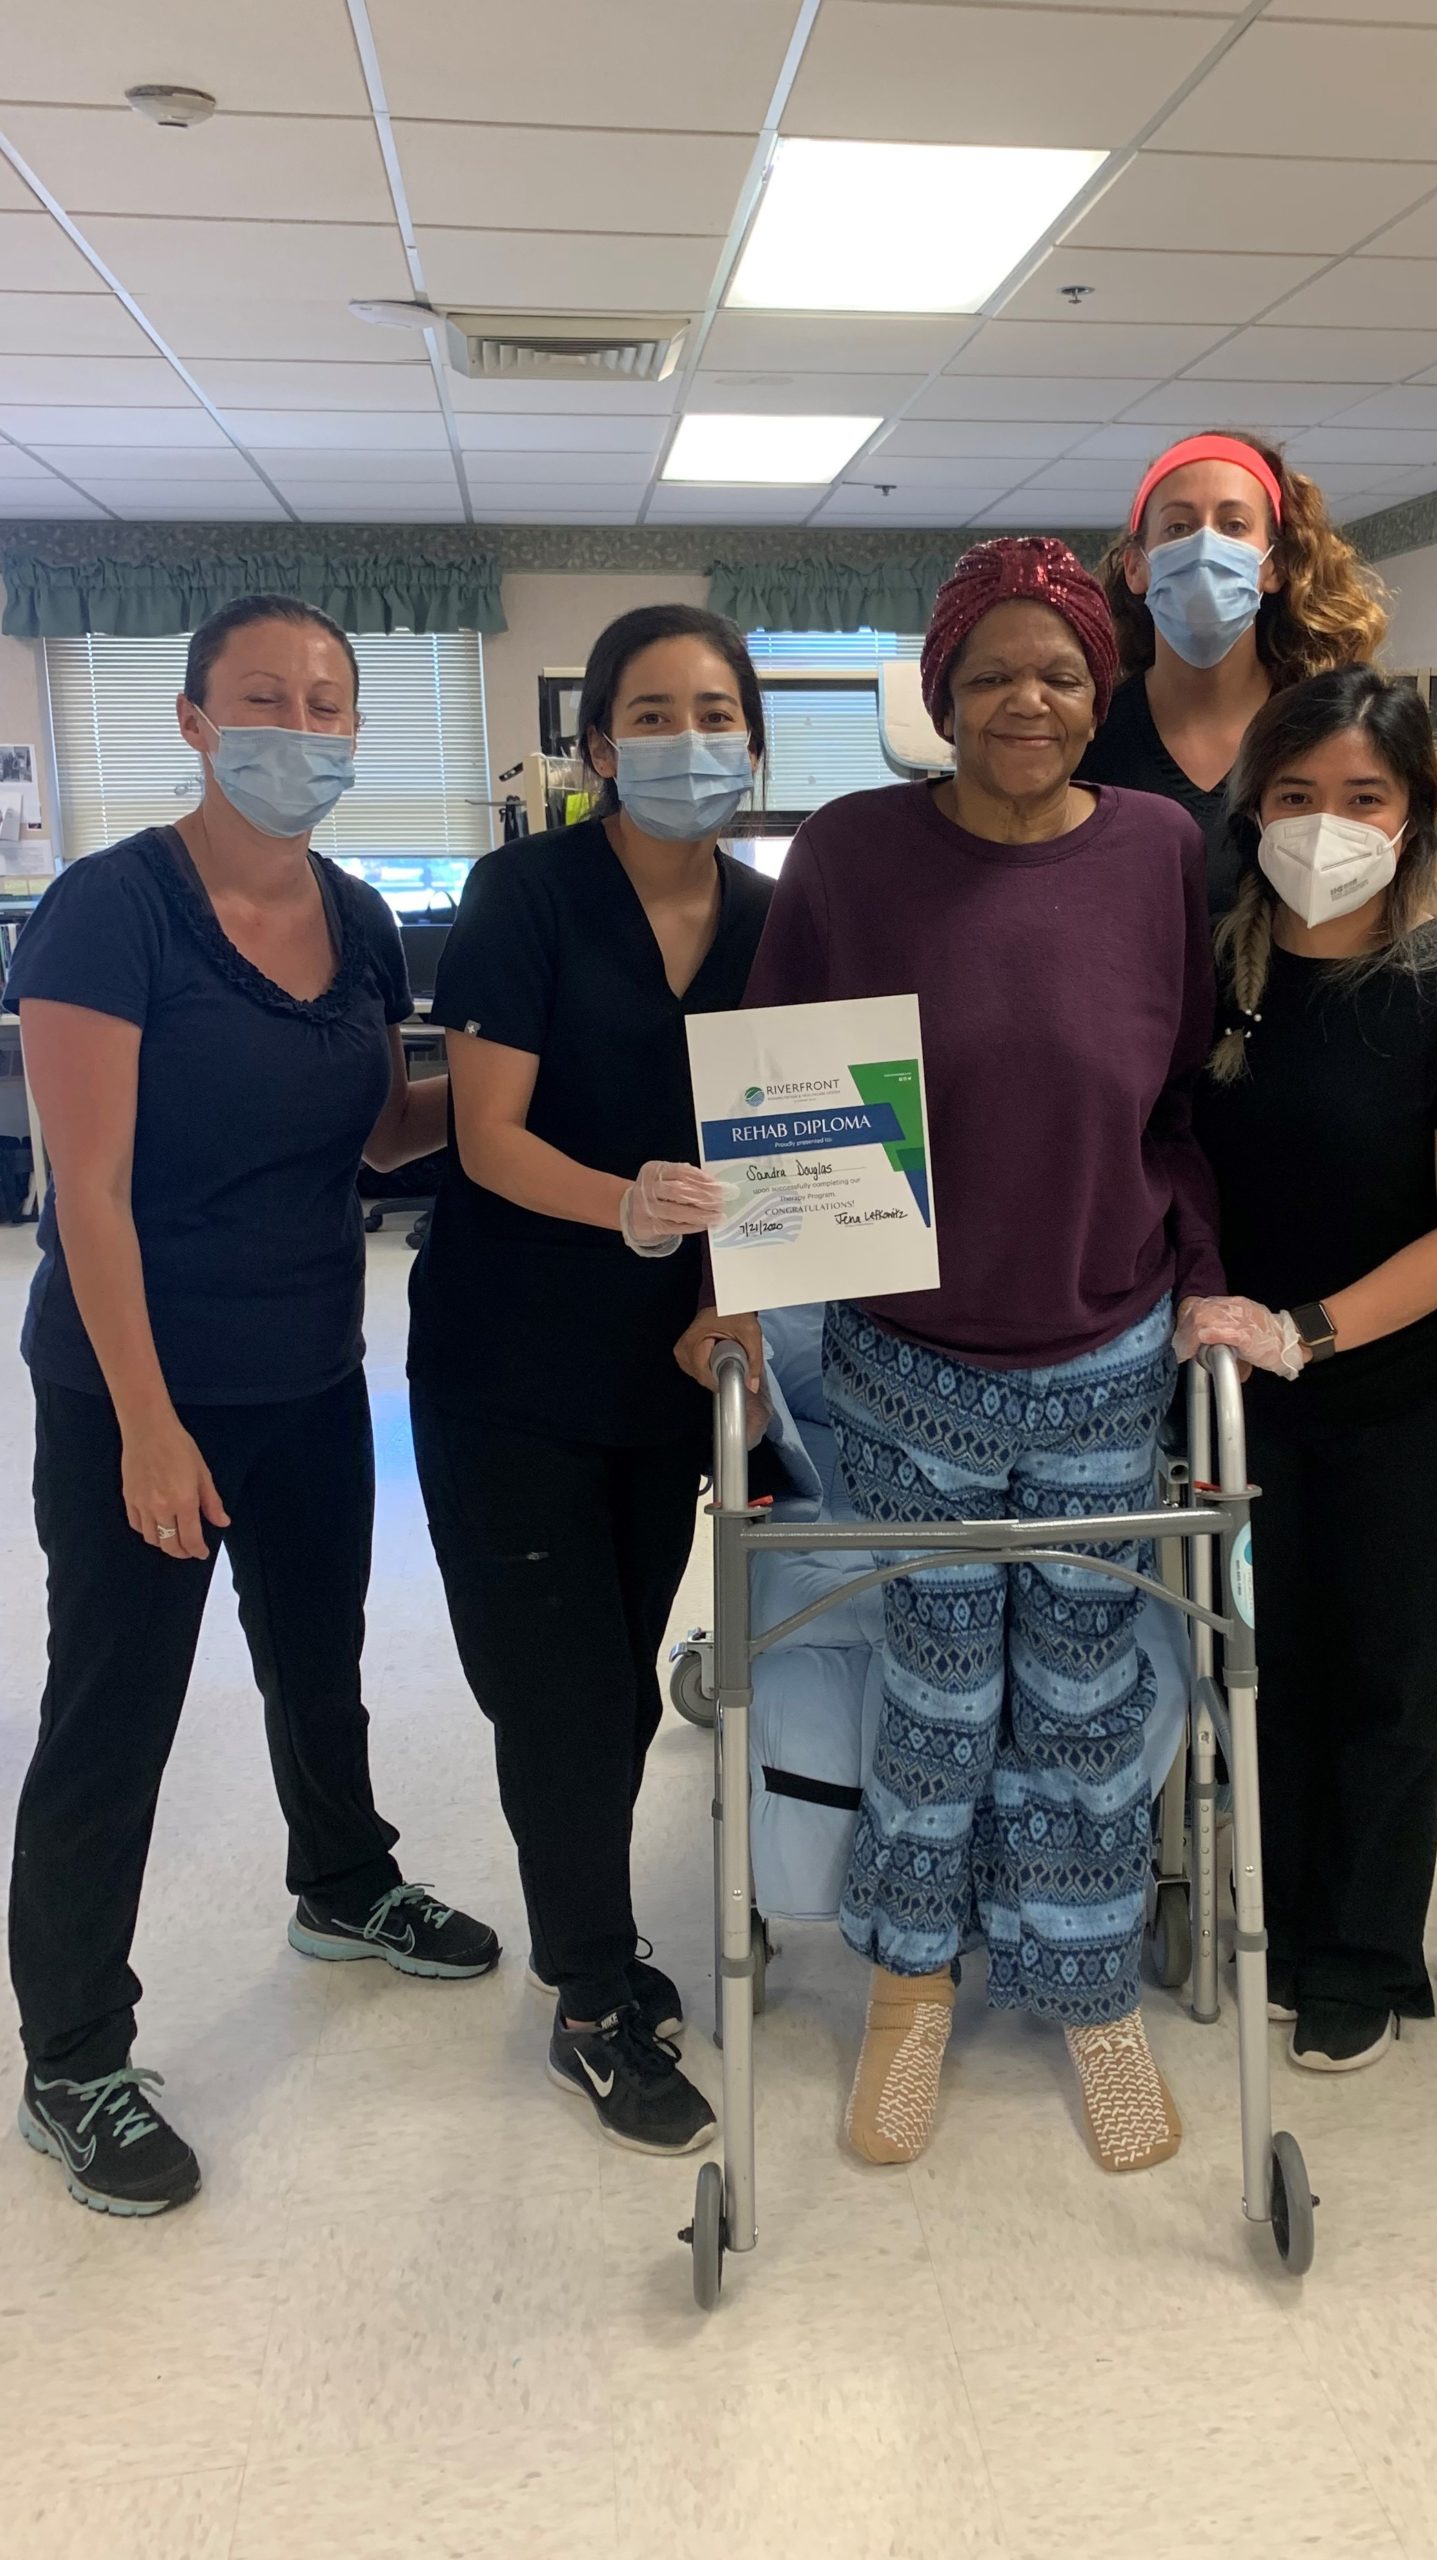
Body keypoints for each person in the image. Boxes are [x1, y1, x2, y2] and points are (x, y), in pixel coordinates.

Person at [677, 537, 1225, 2174]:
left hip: (1107, 1343)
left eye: (1058, 673)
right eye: (989, 676)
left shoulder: (1158, 849)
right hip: (910, 1358)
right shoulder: (855, 851)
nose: (1025, 701)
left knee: (1085, 1695)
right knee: (935, 1685)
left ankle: (1088, 1988)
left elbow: (1182, 1093)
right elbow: (774, 1089)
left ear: (1099, 691)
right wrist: (735, 1280)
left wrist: (1204, 1281)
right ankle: (911, 1984)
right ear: (940, 694)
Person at [7, 594, 499, 2219]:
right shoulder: (109, 911)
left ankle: (343, 1882)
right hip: (136, 1387)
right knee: (114, 1709)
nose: (302, 728)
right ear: (196, 721)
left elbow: (376, 1135)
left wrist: (525, 1086)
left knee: (317, 1657)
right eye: (265, 698)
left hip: (307, 1372)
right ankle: (74, 2055)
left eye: (328, 702)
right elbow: (84, 1192)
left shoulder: (357, 917)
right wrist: (150, 1425)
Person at [408, 604, 775, 2159]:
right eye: (652, 713)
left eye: (716, 711)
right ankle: (587, 2001)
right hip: (510, 1352)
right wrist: (624, 1204)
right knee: (557, 1691)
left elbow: (785, 1145)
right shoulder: (529, 893)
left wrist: (730, 1292)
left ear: (753, 737)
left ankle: (598, 1938)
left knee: (620, 1680)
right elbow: (486, 1135)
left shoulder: (771, 921)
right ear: (598, 745)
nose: (688, 739)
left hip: (666, 1365)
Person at [1183, 670, 1437, 2072]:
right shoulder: (1212, 970)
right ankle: (1276, 1915)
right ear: (1252, 809)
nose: (1325, 822)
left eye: (1362, 796)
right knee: (1267, 1664)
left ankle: (1364, 1953)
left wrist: (1307, 1330)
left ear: (1414, 814)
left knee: (1388, 1673)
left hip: (1400, 1386)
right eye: (1295, 794)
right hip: (1231, 1389)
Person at [1080, 431, 1389, 915]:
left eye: (1234, 525)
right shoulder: (1088, 740)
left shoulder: (1326, 735)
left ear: (1274, 565)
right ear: (1136, 567)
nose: (1206, 546)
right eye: (1179, 527)